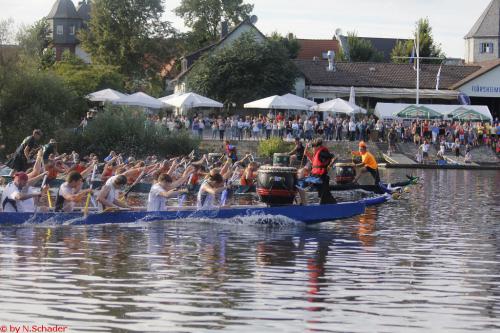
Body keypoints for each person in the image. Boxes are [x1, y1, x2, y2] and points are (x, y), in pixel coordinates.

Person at [304, 138, 336, 204]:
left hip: (321, 176)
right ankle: (331, 203)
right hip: (315, 175)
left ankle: (329, 204)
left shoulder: (322, 152)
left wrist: (329, 165)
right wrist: (307, 153)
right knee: (324, 194)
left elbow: (332, 157)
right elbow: (314, 162)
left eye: (313, 147)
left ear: (318, 146)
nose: (312, 149)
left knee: (324, 194)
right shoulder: (318, 153)